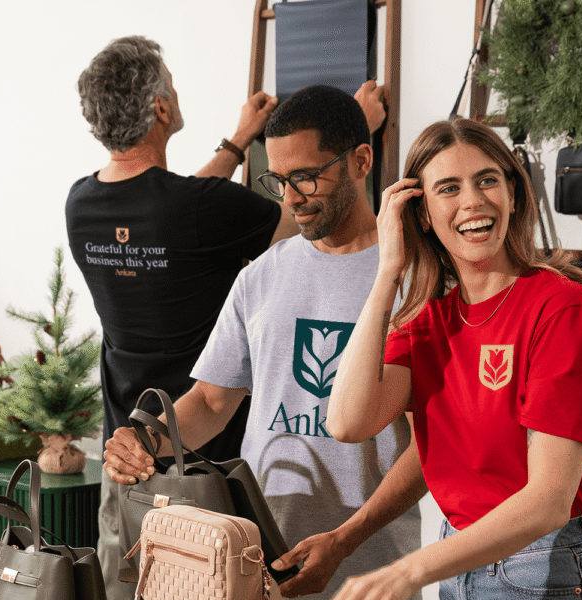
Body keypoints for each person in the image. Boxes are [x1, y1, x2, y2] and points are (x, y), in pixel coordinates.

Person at [104, 84, 421, 600]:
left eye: (306, 178)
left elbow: (432, 444)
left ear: (362, 160)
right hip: (258, 560)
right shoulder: (262, 275)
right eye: (278, 179)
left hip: (373, 568)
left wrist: (344, 539)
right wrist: (148, 438)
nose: (290, 197)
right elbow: (211, 400)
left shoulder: (411, 275)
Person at [326, 118, 582, 600]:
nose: (472, 201)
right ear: (421, 214)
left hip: (551, 567)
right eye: (448, 188)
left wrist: (410, 571)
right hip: (458, 558)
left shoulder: (563, 308)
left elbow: (548, 502)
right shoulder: (429, 323)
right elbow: (347, 421)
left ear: (513, 194)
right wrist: (387, 270)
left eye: (487, 179)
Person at [66, 35, 301, 598]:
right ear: (161, 109)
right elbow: (300, 221)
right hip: (206, 462)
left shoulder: (81, 204)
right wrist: (352, 136)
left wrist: (238, 140)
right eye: (170, 83)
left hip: (126, 455)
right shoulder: (196, 208)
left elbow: (170, 206)